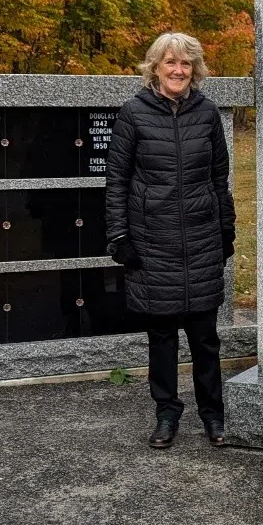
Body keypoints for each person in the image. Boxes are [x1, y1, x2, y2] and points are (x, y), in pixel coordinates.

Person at [105, 32, 236, 449]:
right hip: (152, 243)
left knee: (205, 338)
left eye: (185, 64)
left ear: (194, 70)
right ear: (155, 68)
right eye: (170, 63)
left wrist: (226, 229)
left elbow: (220, 178)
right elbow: (117, 181)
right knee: (161, 339)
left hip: (200, 239)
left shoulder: (208, 113)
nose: (178, 71)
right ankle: (166, 414)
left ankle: (213, 416)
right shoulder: (133, 113)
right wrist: (119, 236)